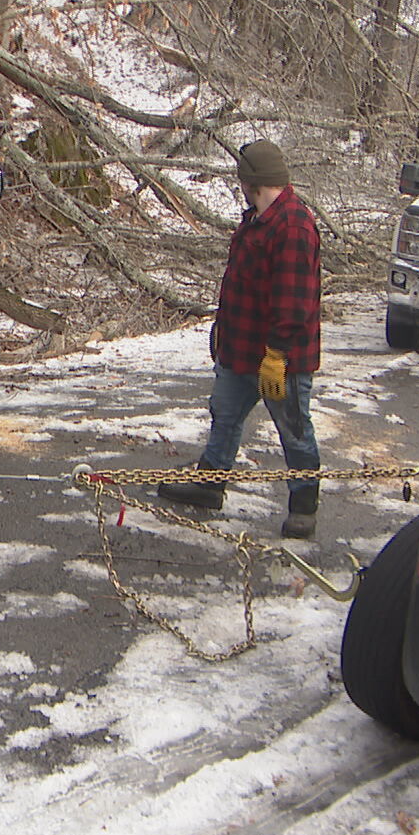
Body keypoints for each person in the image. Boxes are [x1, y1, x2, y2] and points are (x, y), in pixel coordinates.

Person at [158, 139, 323, 538]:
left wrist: (277, 356)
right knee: (224, 416)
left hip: (278, 359)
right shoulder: (257, 218)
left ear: (251, 181)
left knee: (294, 430)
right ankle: (209, 486)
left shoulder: (293, 226)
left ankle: (304, 506)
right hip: (240, 351)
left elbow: (293, 303)